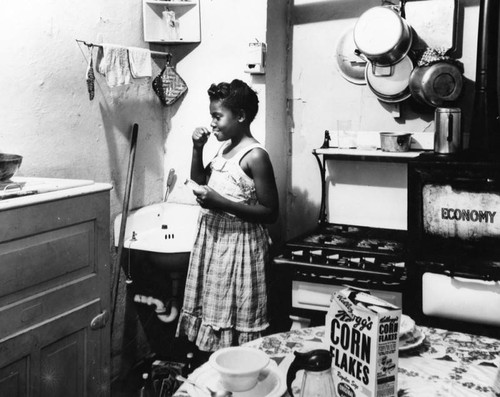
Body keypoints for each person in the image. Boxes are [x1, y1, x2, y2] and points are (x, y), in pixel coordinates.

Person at [176, 79, 279, 353]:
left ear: (241, 116)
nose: (212, 123)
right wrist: (197, 149)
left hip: (241, 247)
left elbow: (271, 212)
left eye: (217, 116)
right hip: (214, 242)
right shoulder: (224, 149)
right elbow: (199, 181)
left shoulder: (255, 156)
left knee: (236, 315)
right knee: (214, 309)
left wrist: (220, 202)